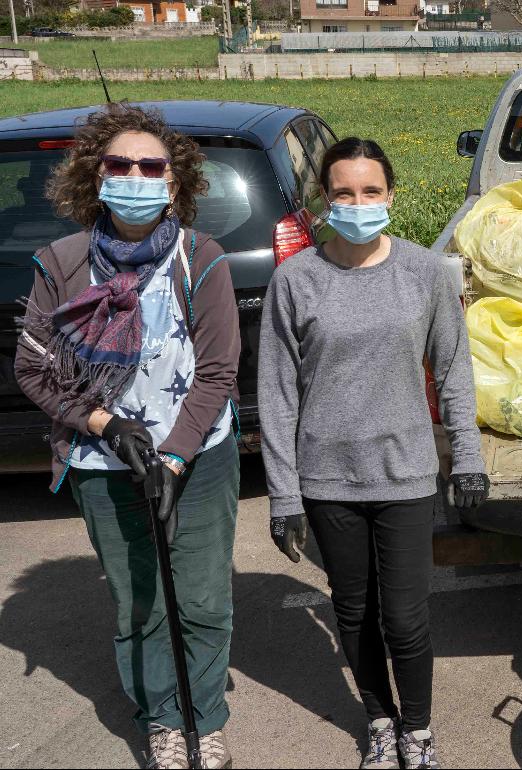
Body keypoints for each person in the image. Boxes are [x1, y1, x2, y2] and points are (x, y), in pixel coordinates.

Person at [15, 104, 240, 769]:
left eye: (152, 166)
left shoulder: (201, 257)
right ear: (96, 175)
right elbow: (33, 367)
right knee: (139, 602)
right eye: (120, 164)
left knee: (200, 597)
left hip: (197, 455)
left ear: (175, 182)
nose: (136, 176)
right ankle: (164, 721)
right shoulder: (62, 263)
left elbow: (220, 369)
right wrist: (105, 424)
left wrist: (172, 455)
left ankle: (207, 719)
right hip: (103, 462)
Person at [259, 137, 489, 770]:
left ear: (390, 195)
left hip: (406, 472)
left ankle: (417, 730)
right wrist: (283, 495)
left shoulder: (425, 274)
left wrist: (466, 455)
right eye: (343, 193)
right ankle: (380, 723)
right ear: (324, 202)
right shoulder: (295, 280)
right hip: (328, 478)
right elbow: (277, 395)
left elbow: (453, 370)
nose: (358, 203)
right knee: (353, 614)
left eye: (371, 191)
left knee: (407, 620)